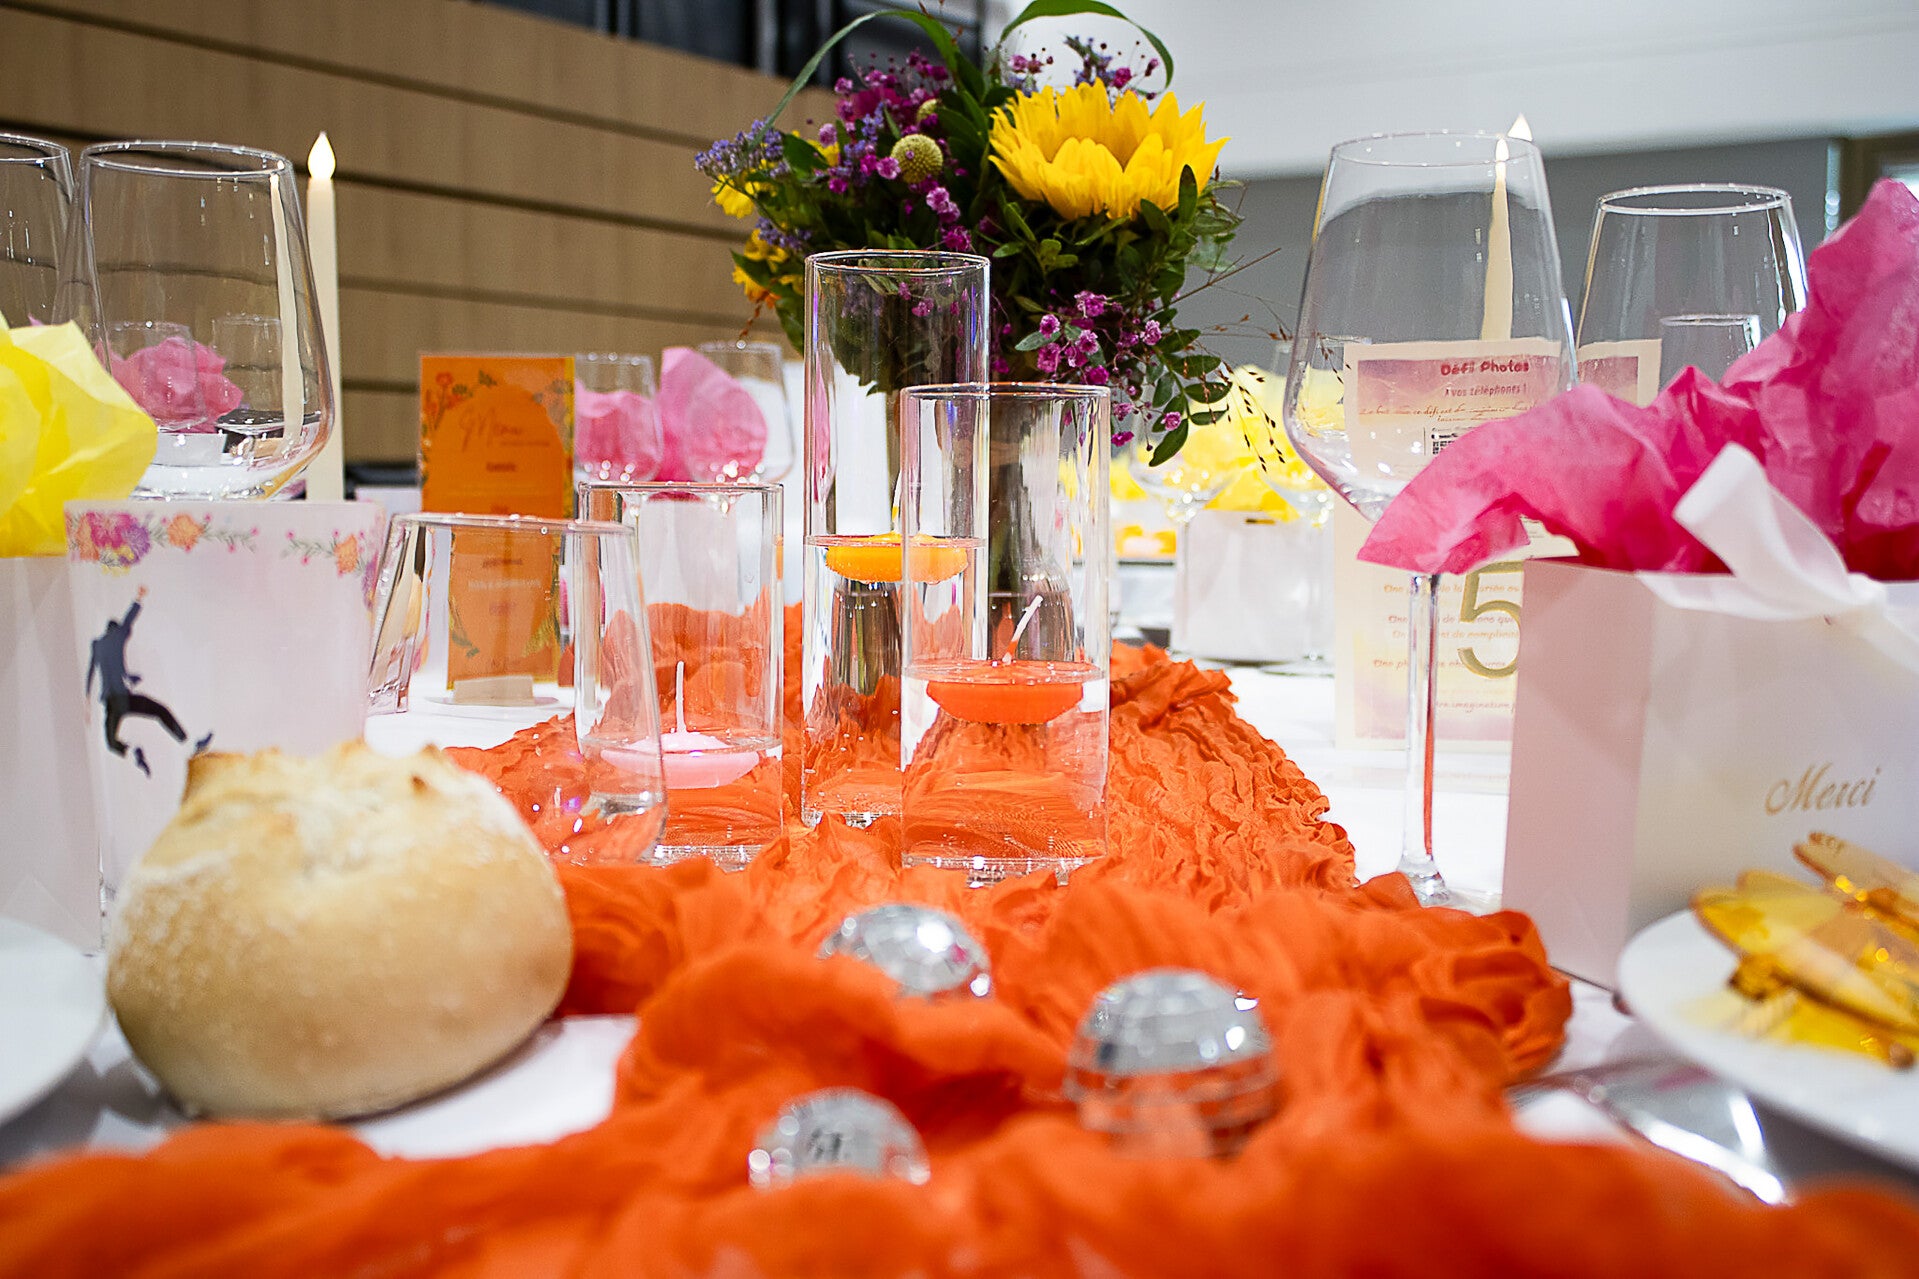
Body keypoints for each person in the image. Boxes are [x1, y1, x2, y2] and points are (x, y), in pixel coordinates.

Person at [86, 587, 209, 777]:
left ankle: (131, 751)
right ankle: (189, 743)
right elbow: (128, 621)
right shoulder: (117, 637)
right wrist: (138, 598)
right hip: (124, 697)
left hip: (111, 701)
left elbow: (91, 671)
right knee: (159, 711)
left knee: (111, 741)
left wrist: (87, 698)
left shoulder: (97, 645)